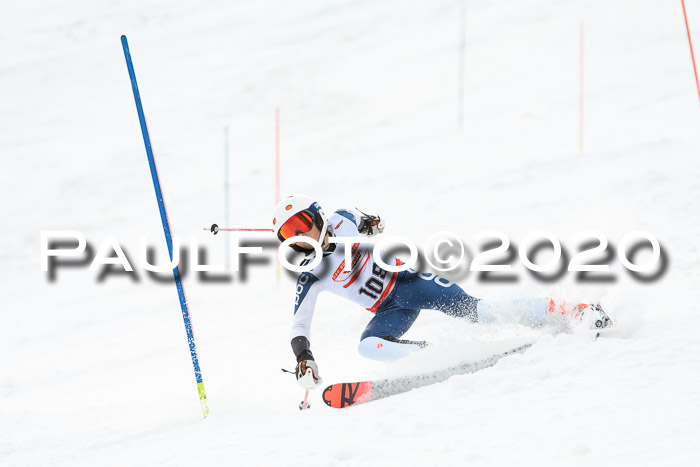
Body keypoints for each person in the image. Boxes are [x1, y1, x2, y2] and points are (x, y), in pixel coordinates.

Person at [271, 194, 612, 390]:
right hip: (388, 310)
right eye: (290, 235)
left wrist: (374, 224)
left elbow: (372, 223)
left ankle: (573, 311)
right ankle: (436, 355)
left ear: (317, 216)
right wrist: (304, 358)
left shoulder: (342, 220)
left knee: (479, 312)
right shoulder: (310, 274)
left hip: (412, 283)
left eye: (301, 226)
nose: (299, 237)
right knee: (368, 347)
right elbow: (299, 327)